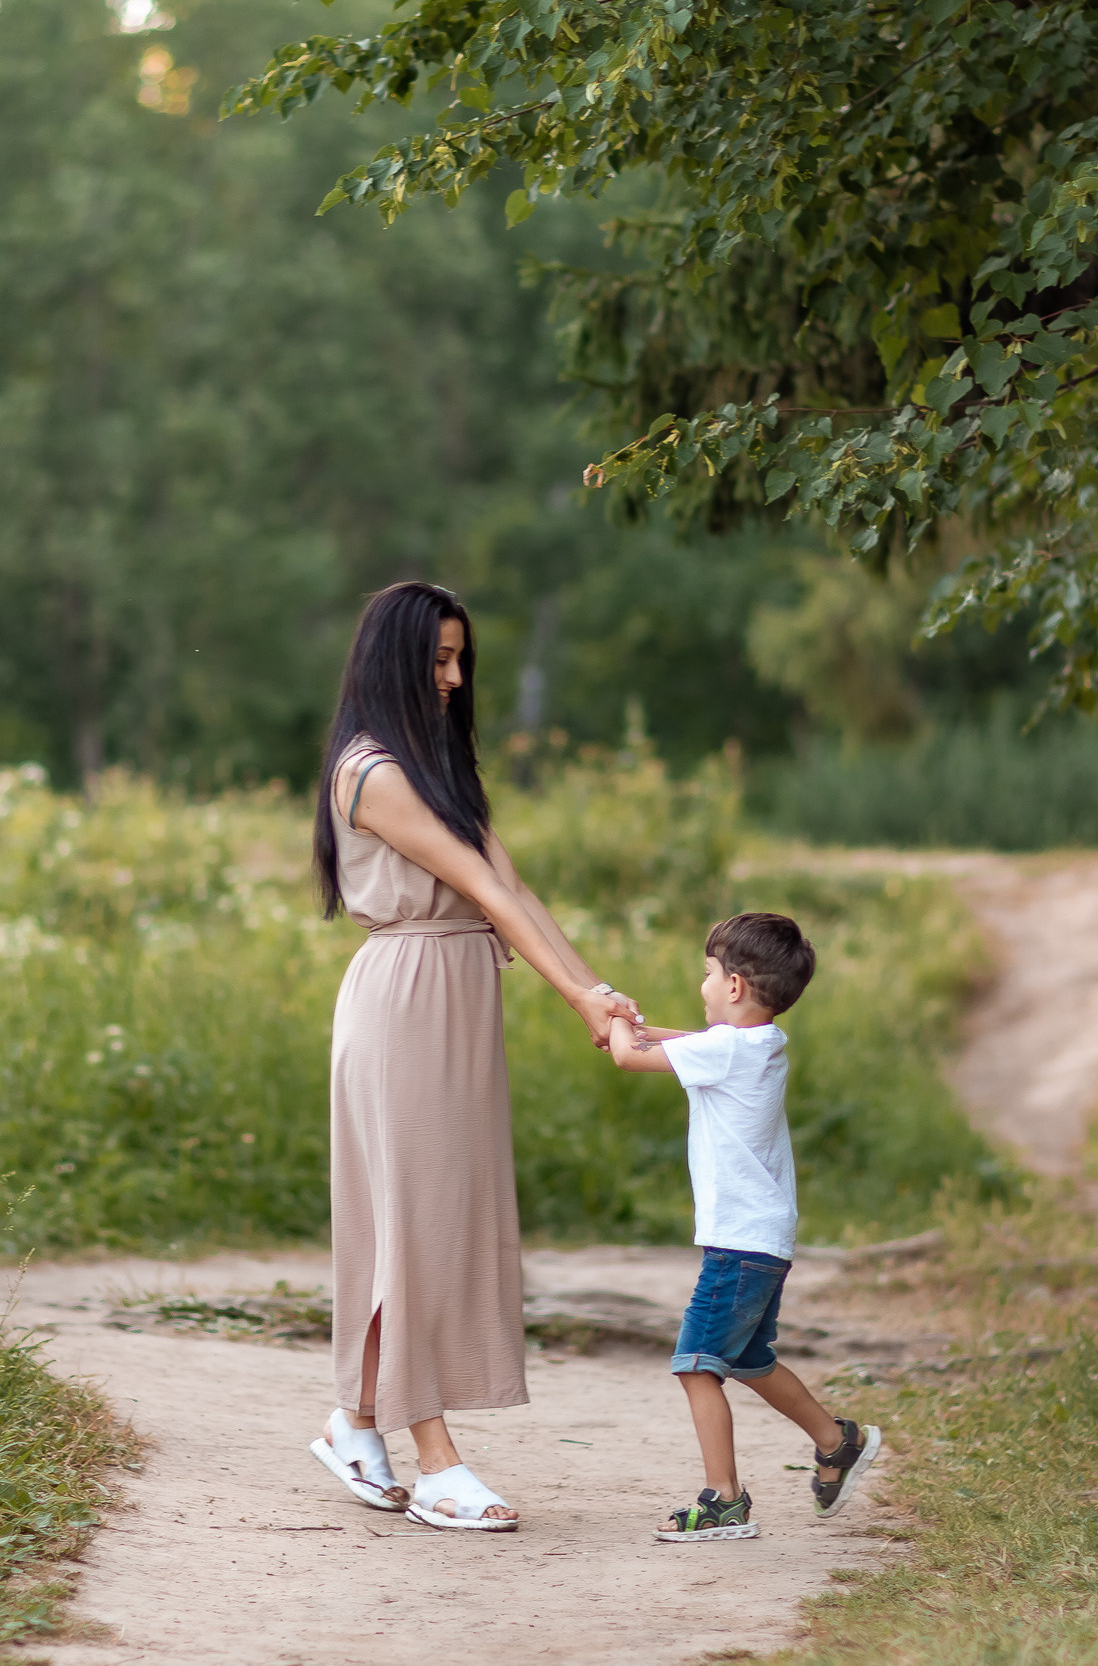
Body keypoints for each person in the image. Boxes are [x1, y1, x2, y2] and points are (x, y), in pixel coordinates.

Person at [307, 581, 641, 1532]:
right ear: (395, 663)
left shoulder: (439, 764)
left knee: (436, 1220)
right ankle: (434, 1452)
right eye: (439, 661)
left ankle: (354, 1420)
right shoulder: (371, 773)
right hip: (404, 1002)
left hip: (457, 998)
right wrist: (576, 994)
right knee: (409, 1224)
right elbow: (480, 889)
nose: (454, 680)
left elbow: (514, 889)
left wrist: (595, 995)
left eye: (462, 662)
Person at [604, 910, 880, 1542]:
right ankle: (836, 1442)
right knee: (750, 1360)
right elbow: (665, 1044)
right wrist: (637, 1029)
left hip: (738, 1244)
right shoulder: (760, 1043)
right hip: (764, 1241)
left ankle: (724, 1499)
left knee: (698, 1365)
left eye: (707, 974)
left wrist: (612, 1011)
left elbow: (626, 1058)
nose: (701, 985)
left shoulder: (726, 1049)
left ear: (732, 987)